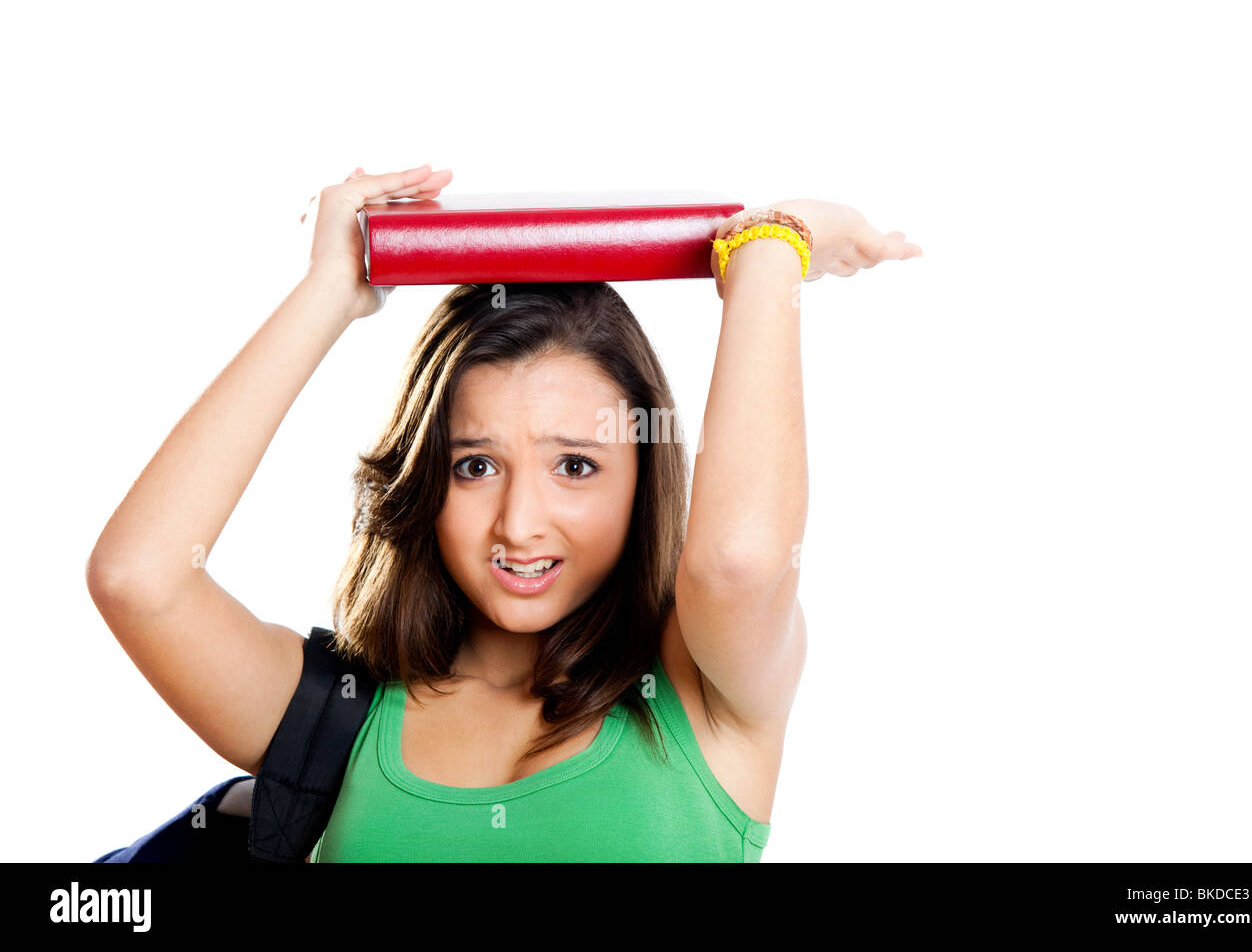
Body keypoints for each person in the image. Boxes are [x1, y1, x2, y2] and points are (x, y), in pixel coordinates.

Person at [86, 164, 922, 862]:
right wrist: (331, 290)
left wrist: (769, 253)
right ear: (424, 482)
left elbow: (737, 562)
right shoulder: (346, 715)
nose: (520, 523)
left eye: (576, 465)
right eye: (476, 465)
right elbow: (140, 578)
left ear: (643, 479)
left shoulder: (705, 688)